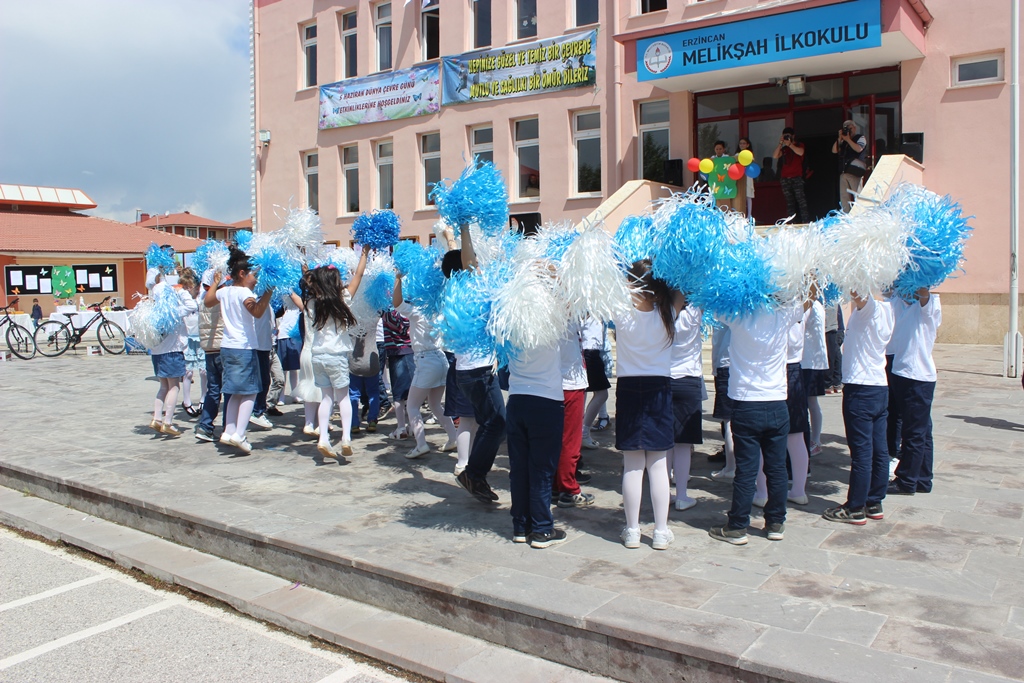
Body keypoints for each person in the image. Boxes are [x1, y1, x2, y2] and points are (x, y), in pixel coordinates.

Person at [709, 304, 801, 545]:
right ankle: (775, 522)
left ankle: (738, 525)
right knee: (777, 468)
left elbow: (715, 303)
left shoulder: (737, 314)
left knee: (747, 470)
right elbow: (808, 298)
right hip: (777, 403)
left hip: (746, 404)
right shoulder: (784, 314)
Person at [614, 260, 685, 550]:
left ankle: (632, 531)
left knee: (632, 465)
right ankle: (660, 531)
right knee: (657, 465)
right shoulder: (667, 311)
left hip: (629, 388)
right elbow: (684, 282)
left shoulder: (620, 311)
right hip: (659, 388)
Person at [822, 292, 894, 524]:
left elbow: (860, 294)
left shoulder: (871, 309)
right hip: (879, 387)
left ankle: (855, 507)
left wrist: (850, 266)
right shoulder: (890, 309)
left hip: (861, 389)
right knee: (879, 450)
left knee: (863, 453)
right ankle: (874, 502)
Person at [445, 235, 506, 505]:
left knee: (489, 423)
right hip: (478, 370)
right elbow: (466, 263)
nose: (479, 266)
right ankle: (473, 474)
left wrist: (451, 239)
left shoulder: (452, 291)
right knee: (497, 423)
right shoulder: (466, 288)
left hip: (468, 371)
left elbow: (458, 262)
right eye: (474, 262)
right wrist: (465, 226)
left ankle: (474, 474)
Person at [205, 247, 272, 454]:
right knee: (251, 391)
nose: (256, 280)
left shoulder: (225, 291)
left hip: (227, 347)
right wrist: (268, 291)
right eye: (254, 275)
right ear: (242, 274)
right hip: (244, 348)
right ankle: (239, 434)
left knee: (233, 392)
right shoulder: (244, 292)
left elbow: (207, 301)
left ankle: (229, 430)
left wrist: (216, 281)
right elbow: (257, 312)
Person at [305, 251, 368, 459]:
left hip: (318, 356)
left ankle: (323, 437)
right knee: (343, 399)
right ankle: (346, 438)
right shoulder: (342, 299)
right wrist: (364, 253)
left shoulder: (312, 302)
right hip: (337, 356)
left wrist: (304, 262)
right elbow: (358, 276)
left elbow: (306, 279)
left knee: (326, 399)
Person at [393, 274, 458, 459]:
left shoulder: (418, 311)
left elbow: (396, 303)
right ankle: (452, 437)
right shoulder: (439, 310)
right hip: (441, 359)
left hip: (426, 359)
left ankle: (421, 444)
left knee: (412, 406)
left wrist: (398, 278)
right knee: (436, 405)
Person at [888, 289, 941, 496]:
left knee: (913, 432)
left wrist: (919, 279)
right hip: (903, 372)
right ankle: (923, 478)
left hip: (916, 376)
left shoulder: (928, 305)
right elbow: (888, 292)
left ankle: (907, 480)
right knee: (922, 430)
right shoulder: (902, 303)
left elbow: (924, 294)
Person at [148, 266, 198, 437]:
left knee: (163, 386)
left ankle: (156, 418)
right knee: (174, 386)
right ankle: (168, 421)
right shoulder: (173, 311)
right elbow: (192, 305)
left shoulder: (155, 310)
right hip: (173, 350)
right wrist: (183, 292)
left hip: (157, 352)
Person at [553, 321, 594, 509]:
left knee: (556, 440)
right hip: (569, 384)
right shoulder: (565, 318)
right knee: (570, 441)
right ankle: (569, 490)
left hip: (554, 383)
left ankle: (556, 485)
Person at [667, 305, 704, 512]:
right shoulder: (696, 308)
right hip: (689, 380)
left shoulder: (662, 309)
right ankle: (682, 495)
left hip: (665, 378)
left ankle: (665, 493)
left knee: (665, 443)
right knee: (683, 444)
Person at [195, 269, 226, 442]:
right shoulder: (219, 298)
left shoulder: (201, 299)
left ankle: (205, 425)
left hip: (208, 349)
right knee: (228, 389)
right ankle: (228, 427)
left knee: (213, 390)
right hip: (222, 347)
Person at [802, 287, 829, 456]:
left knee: (808, 404)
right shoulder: (818, 305)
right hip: (813, 361)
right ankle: (815, 439)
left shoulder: (811, 306)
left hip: (808, 361)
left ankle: (814, 440)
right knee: (812, 403)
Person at [382, 306, 415, 440]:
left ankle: (403, 427)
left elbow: (401, 327)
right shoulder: (407, 307)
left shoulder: (391, 311)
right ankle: (409, 427)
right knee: (408, 394)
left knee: (400, 394)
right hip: (403, 352)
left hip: (401, 353)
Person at [178, 268, 206, 418]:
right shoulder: (182, 298)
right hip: (188, 337)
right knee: (188, 371)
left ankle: (203, 398)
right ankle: (187, 401)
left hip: (200, 336)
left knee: (203, 370)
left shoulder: (200, 297)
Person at [709, 324, 735, 481]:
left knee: (729, 421)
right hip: (743, 365)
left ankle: (731, 466)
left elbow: (717, 341)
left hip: (726, 365)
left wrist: (715, 368)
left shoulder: (723, 313)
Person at [580, 315, 610, 449]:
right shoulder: (588, 306)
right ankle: (583, 433)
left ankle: (582, 432)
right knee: (602, 394)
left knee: (595, 393)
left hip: (590, 352)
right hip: (589, 352)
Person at [773, 127, 809, 224]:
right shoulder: (784, 149)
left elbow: (801, 152)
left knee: (801, 201)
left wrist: (790, 144)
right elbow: (775, 156)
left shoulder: (799, 145)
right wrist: (781, 143)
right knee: (789, 203)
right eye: (785, 136)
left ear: (793, 136)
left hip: (797, 177)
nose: (787, 137)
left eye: (788, 136)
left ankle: (805, 221)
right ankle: (791, 222)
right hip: (785, 178)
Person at [832, 119, 868, 213]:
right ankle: (846, 216)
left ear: (855, 128)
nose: (848, 130)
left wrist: (848, 139)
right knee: (844, 197)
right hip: (844, 172)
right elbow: (834, 151)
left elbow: (858, 149)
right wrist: (840, 138)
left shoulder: (860, 138)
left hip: (855, 172)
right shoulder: (843, 141)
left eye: (850, 128)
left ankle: (861, 215)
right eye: (846, 128)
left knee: (858, 196)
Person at [825, 303, 844, 394]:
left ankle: (830, 384)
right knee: (835, 355)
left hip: (831, 328)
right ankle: (836, 382)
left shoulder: (828, 298)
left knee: (831, 356)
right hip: (836, 327)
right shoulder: (835, 298)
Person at [738, 138, 756, 219]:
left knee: (748, 195)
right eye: (740, 143)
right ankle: (740, 216)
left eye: (744, 143)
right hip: (739, 176)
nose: (742, 145)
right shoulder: (736, 155)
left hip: (748, 175)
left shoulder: (750, 154)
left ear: (747, 145)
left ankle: (749, 216)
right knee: (739, 195)